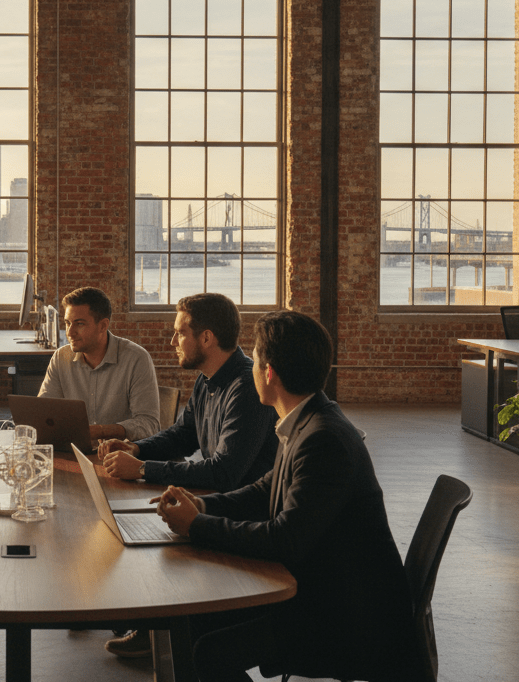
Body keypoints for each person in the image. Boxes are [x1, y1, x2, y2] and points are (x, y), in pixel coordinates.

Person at [153, 311, 419, 682]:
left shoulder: (323, 439)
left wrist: (197, 526)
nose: (251, 366)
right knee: (192, 616)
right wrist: (202, 505)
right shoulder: (309, 417)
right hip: (326, 589)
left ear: (269, 373)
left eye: (256, 357)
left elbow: (284, 540)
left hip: (344, 616)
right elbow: (266, 489)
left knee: (211, 650)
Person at [94, 292, 277, 659]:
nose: (173, 341)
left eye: (180, 333)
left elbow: (225, 473)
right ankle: (145, 619)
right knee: (131, 520)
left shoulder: (245, 388)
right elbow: (183, 434)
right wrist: (138, 449)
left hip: (238, 511)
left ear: (206, 338)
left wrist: (144, 470)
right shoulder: (207, 378)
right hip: (218, 499)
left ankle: (158, 628)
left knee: (149, 528)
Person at [37, 286, 160, 441]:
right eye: (68, 323)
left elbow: (149, 425)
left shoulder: (136, 359)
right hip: (74, 452)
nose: (69, 332)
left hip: (120, 456)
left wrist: (102, 431)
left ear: (103, 326)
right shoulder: (61, 358)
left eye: (79, 324)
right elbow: (43, 414)